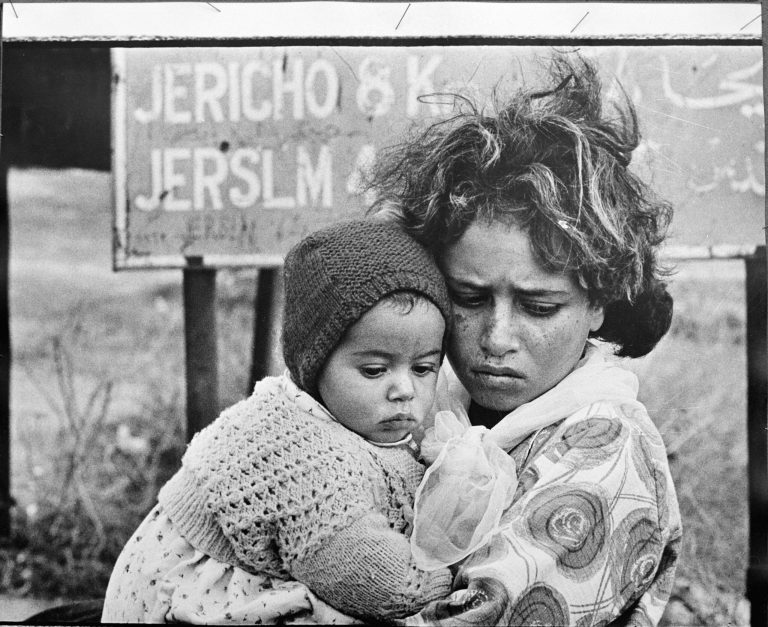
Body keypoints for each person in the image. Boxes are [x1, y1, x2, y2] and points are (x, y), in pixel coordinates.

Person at [366, 55, 683, 626]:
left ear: (598, 304)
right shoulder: (429, 404)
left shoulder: (606, 452)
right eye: (467, 297)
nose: (496, 338)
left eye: (539, 307)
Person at [101, 219, 455, 623]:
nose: (404, 389)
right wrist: (456, 577)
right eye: (375, 370)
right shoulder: (302, 454)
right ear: (314, 363)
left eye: (424, 368)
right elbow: (383, 585)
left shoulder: (357, 417)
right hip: (181, 595)